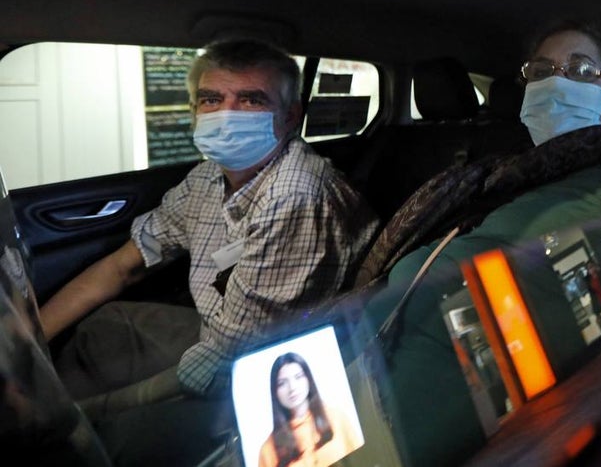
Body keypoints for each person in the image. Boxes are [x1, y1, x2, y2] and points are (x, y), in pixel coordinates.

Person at [349, 20, 601, 467]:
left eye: (580, 71)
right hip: (361, 376)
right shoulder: (500, 174)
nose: (555, 83)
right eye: (542, 71)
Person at [40, 39, 380, 416]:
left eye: (251, 100)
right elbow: (123, 267)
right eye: (211, 99)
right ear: (195, 112)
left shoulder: (295, 196)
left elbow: (227, 362)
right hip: (220, 329)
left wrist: (78, 415)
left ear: (289, 117)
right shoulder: (205, 180)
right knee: (105, 328)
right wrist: (27, 339)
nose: (227, 114)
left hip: (267, 364)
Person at [258, 352, 363, 467]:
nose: (292, 387)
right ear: (275, 391)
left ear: (308, 379)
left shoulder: (337, 418)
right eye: (282, 383)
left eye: (298, 377)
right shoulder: (267, 450)